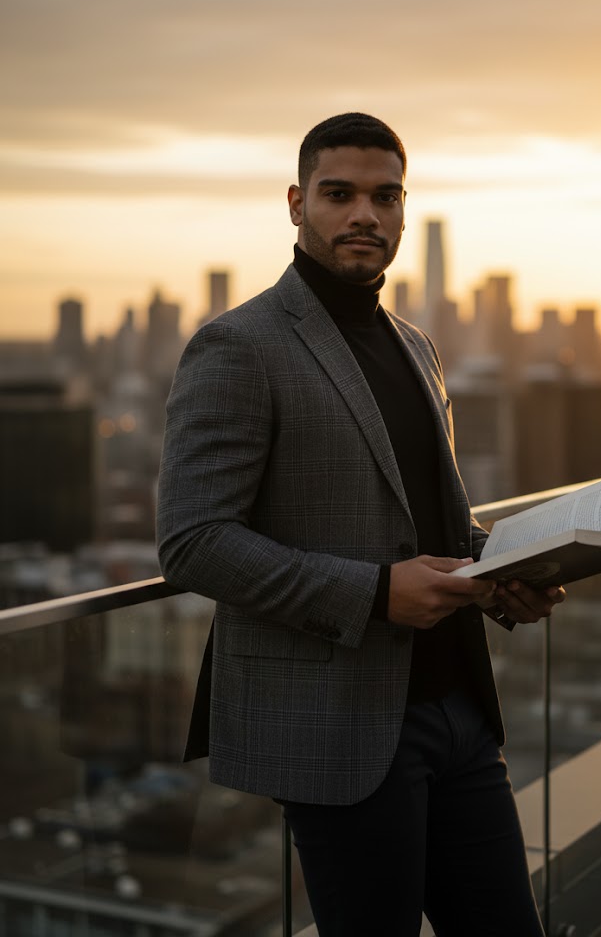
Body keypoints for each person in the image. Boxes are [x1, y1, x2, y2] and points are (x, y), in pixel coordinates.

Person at [157, 112, 565, 936]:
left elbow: (435, 519)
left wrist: (504, 569)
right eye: (338, 194)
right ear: (296, 203)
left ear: (404, 209)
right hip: (339, 723)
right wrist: (376, 593)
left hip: (458, 707)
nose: (364, 216)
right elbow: (193, 541)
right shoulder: (238, 345)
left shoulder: (416, 346)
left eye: (385, 197)